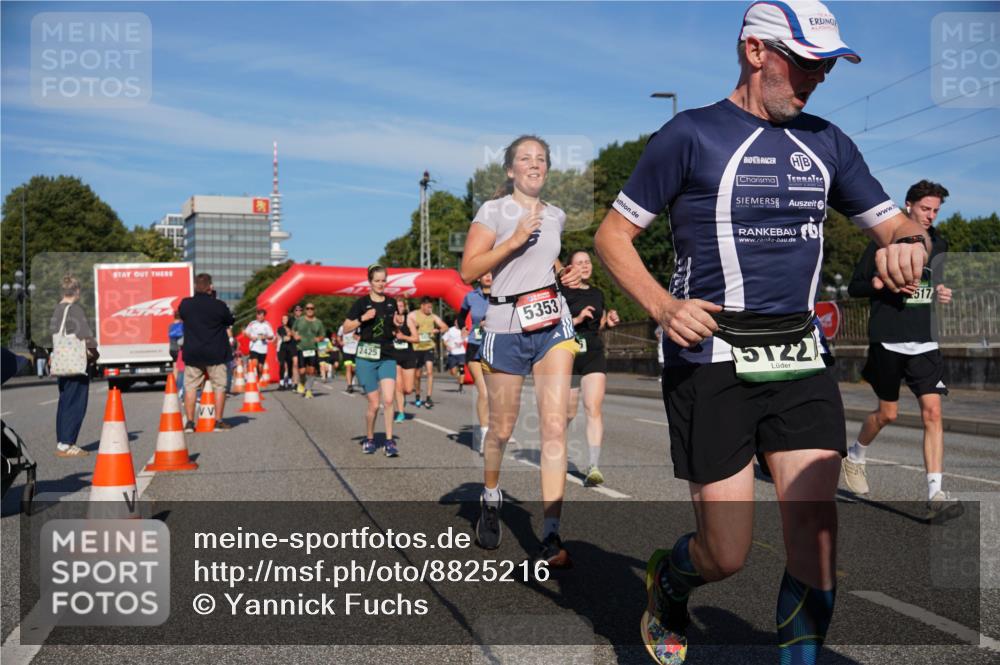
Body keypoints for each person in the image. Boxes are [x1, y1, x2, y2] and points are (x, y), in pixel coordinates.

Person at [592, 3, 932, 663]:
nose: (817, 78)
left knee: (816, 536)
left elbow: (897, 225)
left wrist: (909, 247)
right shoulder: (689, 135)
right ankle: (671, 581)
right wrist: (663, 306)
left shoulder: (829, 142)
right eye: (803, 62)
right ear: (754, 51)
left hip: (800, 355)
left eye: (825, 66)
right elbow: (613, 236)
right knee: (726, 551)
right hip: (710, 355)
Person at [460, 134, 583, 566]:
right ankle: (490, 497)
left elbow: (543, 263)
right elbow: (467, 270)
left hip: (552, 322)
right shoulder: (492, 212)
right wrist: (511, 241)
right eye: (525, 159)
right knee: (502, 428)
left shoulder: (557, 215)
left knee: (554, 425)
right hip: (504, 326)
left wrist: (561, 274)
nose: (534, 165)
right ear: (510, 169)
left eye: (541, 159)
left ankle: (551, 533)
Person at [844, 179, 960, 520]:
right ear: (908, 206)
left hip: (925, 339)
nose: (930, 215)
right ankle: (856, 455)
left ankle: (935, 492)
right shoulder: (885, 239)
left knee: (933, 413)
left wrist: (941, 292)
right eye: (925, 208)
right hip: (888, 337)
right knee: (888, 414)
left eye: (936, 210)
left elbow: (935, 283)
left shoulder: (939, 243)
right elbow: (855, 287)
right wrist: (881, 282)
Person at [562, 250, 620, 487]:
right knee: (567, 413)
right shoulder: (561, 293)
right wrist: (575, 320)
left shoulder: (598, 293)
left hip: (593, 352)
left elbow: (599, 325)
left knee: (593, 407)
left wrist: (609, 321)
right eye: (579, 263)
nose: (584, 266)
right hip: (568, 353)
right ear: (569, 268)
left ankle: (593, 465)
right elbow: (549, 323)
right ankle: (557, 452)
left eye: (587, 262)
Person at [342, 265, 404, 456]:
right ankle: (369, 438)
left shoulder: (392, 303)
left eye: (383, 280)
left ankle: (389, 441)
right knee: (374, 404)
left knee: (388, 399)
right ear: (370, 282)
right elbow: (346, 328)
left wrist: (397, 324)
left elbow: (394, 327)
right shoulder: (361, 303)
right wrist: (362, 318)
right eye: (377, 280)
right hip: (366, 357)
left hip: (386, 355)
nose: (380, 284)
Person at [178, 273, 235, 431]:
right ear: (211, 287)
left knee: (190, 388)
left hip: (193, 353)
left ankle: (190, 422)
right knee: (219, 387)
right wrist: (214, 298)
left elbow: (182, 315)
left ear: (195, 286)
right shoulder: (219, 305)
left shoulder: (186, 304)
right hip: (216, 353)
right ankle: (218, 421)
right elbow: (229, 320)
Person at [50, 276, 98, 457]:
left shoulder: (57, 310)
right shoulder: (74, 310)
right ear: (76, 291)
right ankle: (68, 443)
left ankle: (62, 441)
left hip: (62, 362)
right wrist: (95, 352)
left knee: (64, 402)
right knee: (76, 402)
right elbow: (85, 334)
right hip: (76, 363)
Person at [458, 272, 492, 452]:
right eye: (484, 273)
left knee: (498, 393)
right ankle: (485, 435)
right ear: (478, 277)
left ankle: (499, 430)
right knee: (484, 392)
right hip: (475, 346)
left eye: (491, 273)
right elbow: (461, 315)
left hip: (497, 348)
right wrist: (463, 326)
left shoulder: (502, 293)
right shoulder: (471, 297)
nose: (488, 276)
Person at [409, 297, 448, 408]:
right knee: (417, 375)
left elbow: (445, 327)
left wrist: (438, 330)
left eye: (431, 307)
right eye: (428, 307)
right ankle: (417, 395)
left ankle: (428, 398)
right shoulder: (413, 315)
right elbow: (406, 326)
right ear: (422, 306)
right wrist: (413, 328)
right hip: (416, 348)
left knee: (430, 372)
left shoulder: (433, 317)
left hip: (428, 347)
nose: (430, 309)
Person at [392, 297, 420, 423]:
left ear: (405, 307)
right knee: (398, 386)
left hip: (408, 356)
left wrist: (403, 336)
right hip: (393, 356)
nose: (399, 308)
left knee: (408, 389)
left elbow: (416, 338)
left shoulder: (409, 320)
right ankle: (401, 413)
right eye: (397, 306)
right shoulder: (389, 320)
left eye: (402, 306)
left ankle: (402, 399)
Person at [293, 303, 325, 399]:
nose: (310, 310)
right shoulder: (300, 320)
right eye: (307, 308)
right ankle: (302, 383)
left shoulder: (318, 322)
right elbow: (293, 330)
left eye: (312, 308)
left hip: (313, 349)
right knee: (302, 371)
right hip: (301, 348)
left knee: (311, 371)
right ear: (305, 310)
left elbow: (322, 335)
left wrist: (319, 339)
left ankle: (309, 390)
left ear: (314, 310)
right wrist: (295, 336)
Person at [442, 318, 468, 393]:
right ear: (455, 323)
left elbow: (467, 340)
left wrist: (465, 337)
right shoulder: (450, 330)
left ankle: (461, 387)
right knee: (453, 372)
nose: (458, 324)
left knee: (462, 369)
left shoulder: (463, 330)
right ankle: (458, 375)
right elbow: (444, 340)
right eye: (457, 322)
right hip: (452, 353)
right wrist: (447, 346)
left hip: (461, 353)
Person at [276, 314, 296, 390]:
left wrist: (291, 333)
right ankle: (281, 383)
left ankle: (290, 382)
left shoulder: (292, 327)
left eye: (286, 319)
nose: (285, 320)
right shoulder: (280, 328)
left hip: (291, 347)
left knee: (290, 364)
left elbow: (293, 335)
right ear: (281, 320)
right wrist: (289, 335)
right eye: (283, 319)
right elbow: (285, 338)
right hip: (283, 348)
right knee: (282, 365)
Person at [338, 323, 360, 392]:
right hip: (346, 350)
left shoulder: (358, 327)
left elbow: (361, 337)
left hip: (356, 350)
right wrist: (340, 342)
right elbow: (338, 336)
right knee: (348, 367)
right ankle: (349, 385)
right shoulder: (342, 327)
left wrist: (357, 338)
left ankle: (351, 379)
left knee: (354, 369)